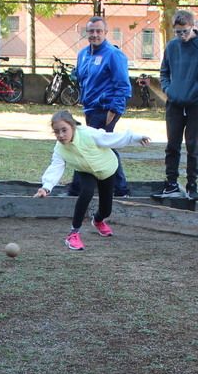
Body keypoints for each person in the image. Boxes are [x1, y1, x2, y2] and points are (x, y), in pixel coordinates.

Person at [33, 109, 151, 251]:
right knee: (86, 192)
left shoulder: (88, 134)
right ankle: (73, 233)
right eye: (57, 132)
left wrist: (136, 137)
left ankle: (98, 220)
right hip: (85, 171)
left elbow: (112, 138)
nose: (61, 135)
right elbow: (56, 166)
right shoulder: (60, 148)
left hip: (107, 168)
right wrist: (46, 187)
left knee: (106, 210)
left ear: (73, 126)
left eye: (64, 130)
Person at [69, 16, 132, 198]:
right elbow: (81, 77)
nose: (94, 35)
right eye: (91, 31)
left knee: (95, 145)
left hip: (106, 109)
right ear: (86, 33)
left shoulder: (113, 54)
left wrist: (114, 110)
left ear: (105, 33)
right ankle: (113, 188)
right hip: (90, 108)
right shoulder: (83, 54)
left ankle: (117, 189)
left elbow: (123, 86)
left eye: (98, 31)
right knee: (100, 146)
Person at [157, 10, 198, 199]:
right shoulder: (172, 46)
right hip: (174, 102)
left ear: (192, 28)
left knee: (193, 145)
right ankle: (171, 182)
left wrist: (196, 91)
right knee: (172, 144)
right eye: (178, 32)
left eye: (185, 31)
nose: (182, 36)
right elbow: (164, 72)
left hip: (195, 104)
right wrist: (168, 90)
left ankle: (192, 185)